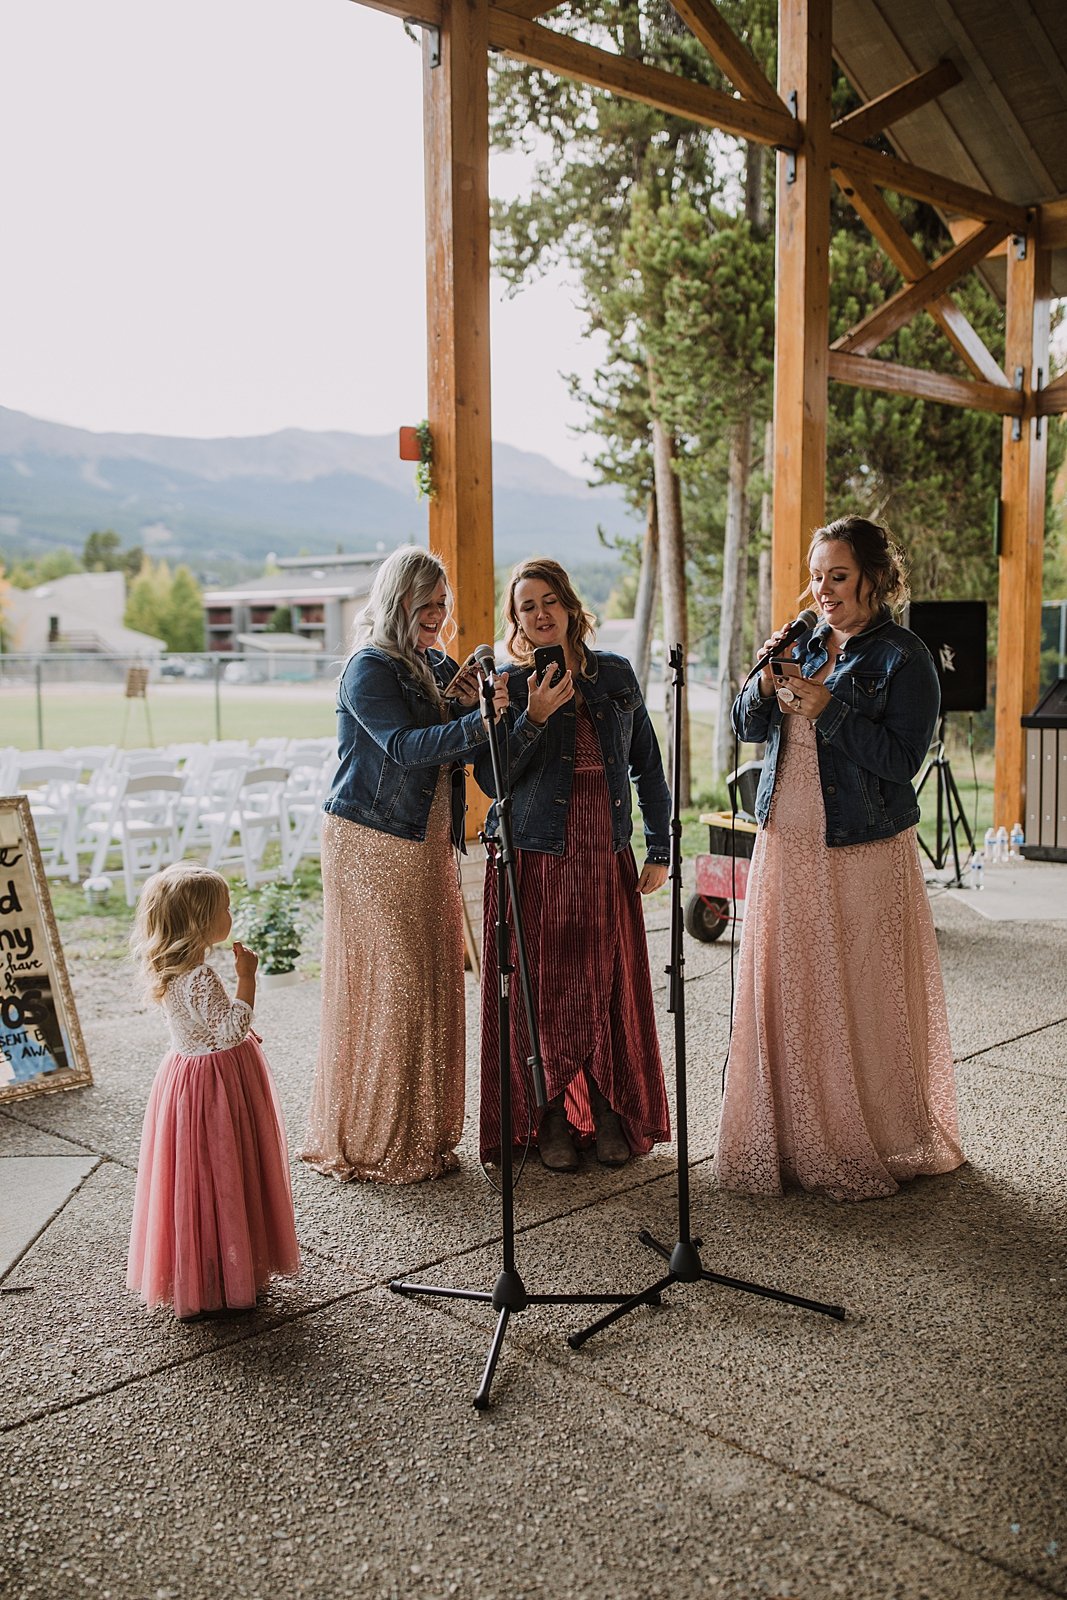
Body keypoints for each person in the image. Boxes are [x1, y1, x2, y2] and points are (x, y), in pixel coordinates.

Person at [716, 515, 965, 1201]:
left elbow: (899, 761)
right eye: (817, 576)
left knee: (854, 988)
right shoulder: (803, 639)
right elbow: (744, 726)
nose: (822, 591)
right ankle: (793, 1134)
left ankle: (871, 1134)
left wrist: (828, 709)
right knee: (790, 982)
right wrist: (764, 682)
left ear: (874, 579)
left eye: (838, 576)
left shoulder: (902, 657)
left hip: (859, 845)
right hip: (784, 840)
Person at [301, 545, 508, 1184]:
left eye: (443, 606)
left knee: (432, 980)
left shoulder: (436, 663)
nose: (438, 617)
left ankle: (426, 1134)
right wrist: (477, 719)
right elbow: (405, 747)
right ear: (397, 601)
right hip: (373, 841)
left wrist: (464, 699)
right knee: (393, 985)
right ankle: (373, 1139)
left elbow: (451, 740)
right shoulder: (370, 668)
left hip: (427, 841)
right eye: (427, 605)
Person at [474, 558, 671, 1173]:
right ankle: (550, 1112)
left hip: (604, 848)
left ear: (569, 607)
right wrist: (530, 718)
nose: (539, 614)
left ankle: (609, 1109)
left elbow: (647, 761)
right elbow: (491, 776)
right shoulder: (507, 684)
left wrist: (660, 844)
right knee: (544, 988)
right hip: (537, 854)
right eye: (526, 606)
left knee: (606, 983)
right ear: (516, 621)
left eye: (548, 601)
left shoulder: (613, 674)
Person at [127, 862, 299, 1320]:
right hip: (215, 1086)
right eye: (225, 907)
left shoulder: (169, 972)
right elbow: (229, 1031)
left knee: (194, 1176)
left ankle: (203, 1272)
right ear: (201, 921)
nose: (231, 912)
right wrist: (248, 979)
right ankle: (230, 1272)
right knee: (225, 1171)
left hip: (184, 1080)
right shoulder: (202, 978)